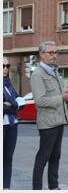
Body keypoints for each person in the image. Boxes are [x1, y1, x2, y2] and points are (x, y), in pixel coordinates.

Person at [31, 41, 68, 190]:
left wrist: (67, 94)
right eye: (51, 53)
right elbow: (40, 100)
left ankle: (53, 187)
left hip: (59, 120)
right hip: (47, 123)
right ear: (42, 55)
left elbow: (59, 94)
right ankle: (36, 189)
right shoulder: (38, 74)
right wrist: (61, 97)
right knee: (43, 157)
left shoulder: (54, 71)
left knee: (56, 156)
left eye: (56, 52)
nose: (55, 56)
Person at [3, 57, 19, 189]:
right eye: (2, 66)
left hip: (12, 124)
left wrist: (12, 104)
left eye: (7, 66)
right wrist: (13, 105)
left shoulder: (9, 84)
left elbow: (20, 103)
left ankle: (6, 187)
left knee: (8, 157)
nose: (5, 69)